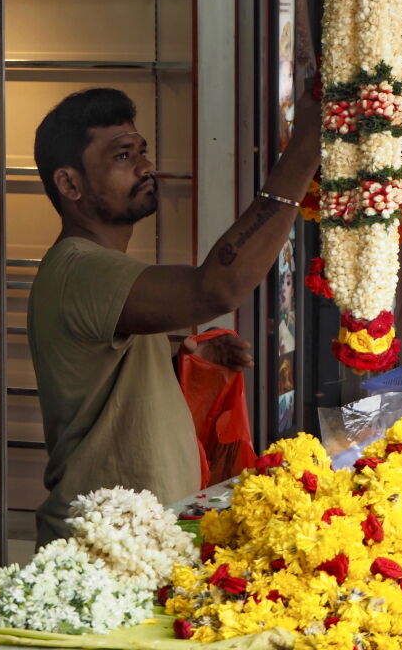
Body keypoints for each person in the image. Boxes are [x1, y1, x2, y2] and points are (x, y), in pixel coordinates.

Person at [27, 87, 321, 545]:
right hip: (106, 549)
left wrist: (179, 356)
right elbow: (216, 288)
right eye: (123, 156)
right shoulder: (81, 269)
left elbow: (99, 374)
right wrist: (303, 152)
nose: (145, 167)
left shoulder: (99, 269)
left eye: (142, 151)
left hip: (139, 538)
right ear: (70, 184)